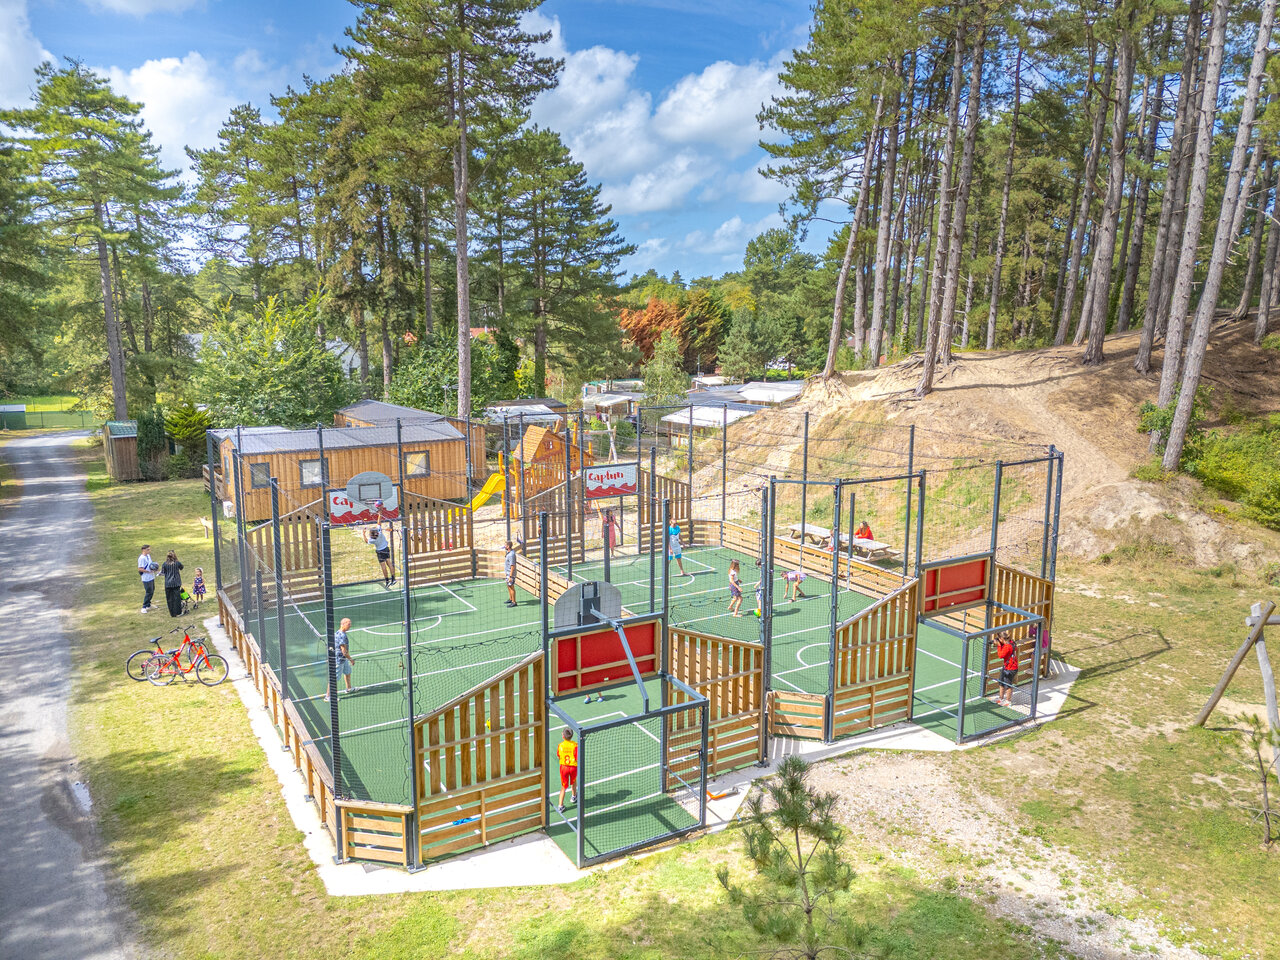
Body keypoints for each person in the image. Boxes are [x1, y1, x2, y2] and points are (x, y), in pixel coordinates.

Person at [324, 618, 355, 701]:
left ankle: (349, 688)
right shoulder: (342, 635)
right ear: (343, 624)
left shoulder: (338, 632)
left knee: (348, 672)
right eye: (348, 624)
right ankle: (328, 696)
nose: (350, 626)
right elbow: (344, 651)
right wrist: (351, 659)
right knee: (334, 678)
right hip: (339, 660)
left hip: (343, 659)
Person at [556, 727, 578, 812]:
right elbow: (576, 757)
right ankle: (573, 796)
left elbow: (559, 755)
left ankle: (560, 806)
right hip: (573, 768)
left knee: (563, 787)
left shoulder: (560, 745)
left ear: (563, 736)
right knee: (573, 782)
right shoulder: (575, 745)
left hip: (564, 768)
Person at [995, 631, 1019, 707]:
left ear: (1002, 638)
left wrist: (999, 645)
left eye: (999, 638)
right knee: (1001, 682)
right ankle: (1001, 698)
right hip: (1006, 666)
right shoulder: (1011, 642)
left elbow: (1000, 655)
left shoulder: (1007, 646)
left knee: (1008, 685)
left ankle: (1008, 701)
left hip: (1010, 669)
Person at [160, 550, 185, 617]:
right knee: (177, 598)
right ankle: (178, 612)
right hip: (176, 582)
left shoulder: (164, 564)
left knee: (169, 599)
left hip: (168, 583)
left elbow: (162, 573)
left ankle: (172, 613)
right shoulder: (177, 563)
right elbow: (182, 567)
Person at [137, 545, 159, 613]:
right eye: (148, 549)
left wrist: (154, 569)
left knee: (152, 590)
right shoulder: (141, 558)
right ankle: (144, 607)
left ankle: (148, 604)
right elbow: (140, 569)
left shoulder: (148, 556)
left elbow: (150, 565)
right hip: (146, 578)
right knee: (148, 591)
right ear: (144, 550)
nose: (149, 551)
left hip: (151, 576)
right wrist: (148, 571)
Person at [504, 540, 518, 607]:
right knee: (508, 586)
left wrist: (510, 576)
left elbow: (512, 566)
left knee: (511, 587)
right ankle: (510, 598)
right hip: (508, 573)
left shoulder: (511, 554)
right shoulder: (508, 552)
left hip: (510, 573)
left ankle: (514, 602)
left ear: (508, 546)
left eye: (505, 545)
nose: (504, 546)